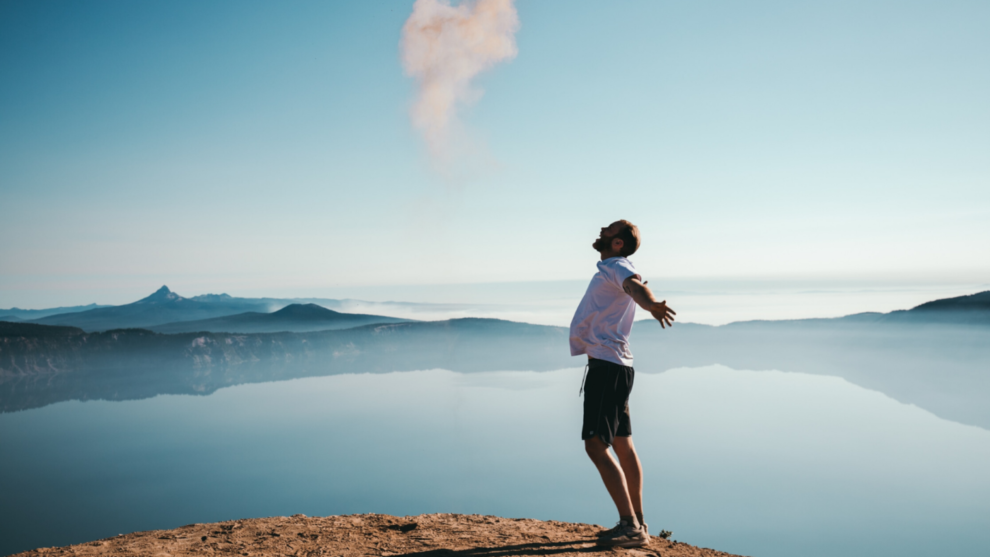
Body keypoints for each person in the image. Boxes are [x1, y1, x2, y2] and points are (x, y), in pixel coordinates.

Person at [569, 220, 675, 548]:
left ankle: (630, 528)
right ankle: (638, 521)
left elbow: (635, 287)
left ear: (617, 243)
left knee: (595, 445)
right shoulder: (612, 266)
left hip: (607, 367)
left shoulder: (618, 266)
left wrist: (651, 304)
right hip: (616, 366)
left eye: (608, 229)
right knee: (622, 443)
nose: (601, 229)